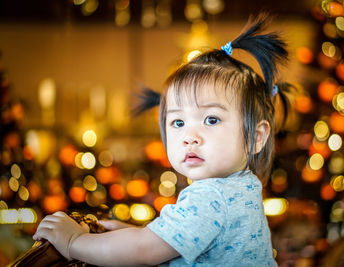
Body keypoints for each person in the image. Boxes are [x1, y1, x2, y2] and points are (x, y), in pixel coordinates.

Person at [33, 12, 293, 266]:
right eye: (178, 122)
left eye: (211, 120)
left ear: (256, 137)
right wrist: (129, 232)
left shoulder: (212, 195)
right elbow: (176, 245)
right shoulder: (240, 187)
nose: (190, 137)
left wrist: (73, 243)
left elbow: (143, 250)